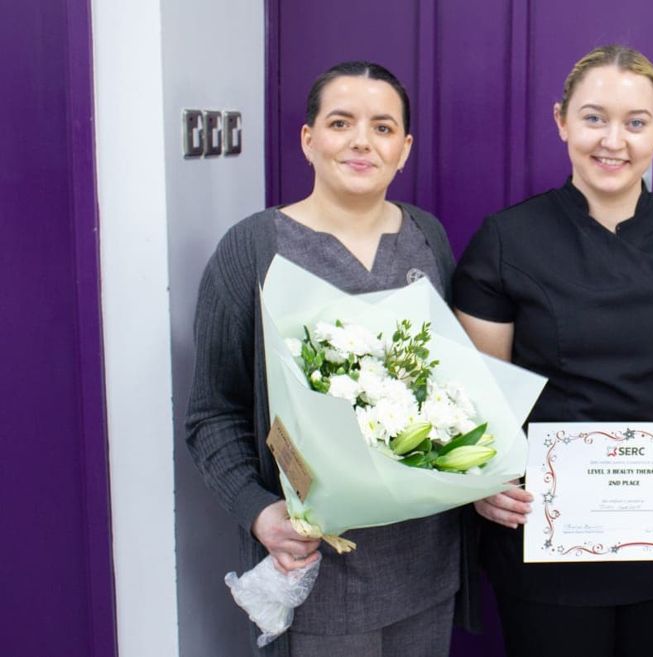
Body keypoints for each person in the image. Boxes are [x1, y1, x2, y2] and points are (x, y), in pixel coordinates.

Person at [452, 44, 653, 657]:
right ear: (561, 121)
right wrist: (481, 479)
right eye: (593, 118)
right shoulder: (507, 240)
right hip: (544, 529)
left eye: (636, 122)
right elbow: (477, 389)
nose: (614, 141)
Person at [186, 61, 463, 657]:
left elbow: (455, 386)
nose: (362, 141)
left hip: (426, 568)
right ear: (308, 139)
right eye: (341, 123)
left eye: (383, 127)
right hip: (316, 573)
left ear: (404, 149)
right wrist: (258, 512)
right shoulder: (254, 249)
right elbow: (213, 413)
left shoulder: (427, 238)